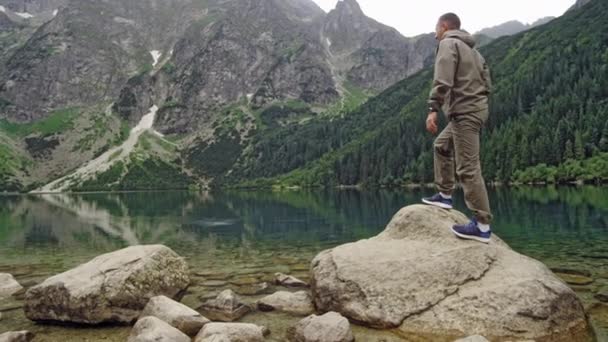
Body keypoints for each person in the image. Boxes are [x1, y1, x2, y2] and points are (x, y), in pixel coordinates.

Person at [421, 13, 494, 243]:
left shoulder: (448, 43)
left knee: (468, 168)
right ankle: (444, 195)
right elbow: (487, 84)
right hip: (470, 111)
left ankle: (482, 226)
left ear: (444, 26)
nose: (435, 35)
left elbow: (443, 79)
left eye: (436, 29)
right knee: (441, 146)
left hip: (465, 113)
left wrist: (433, 108)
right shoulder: (475, 52)